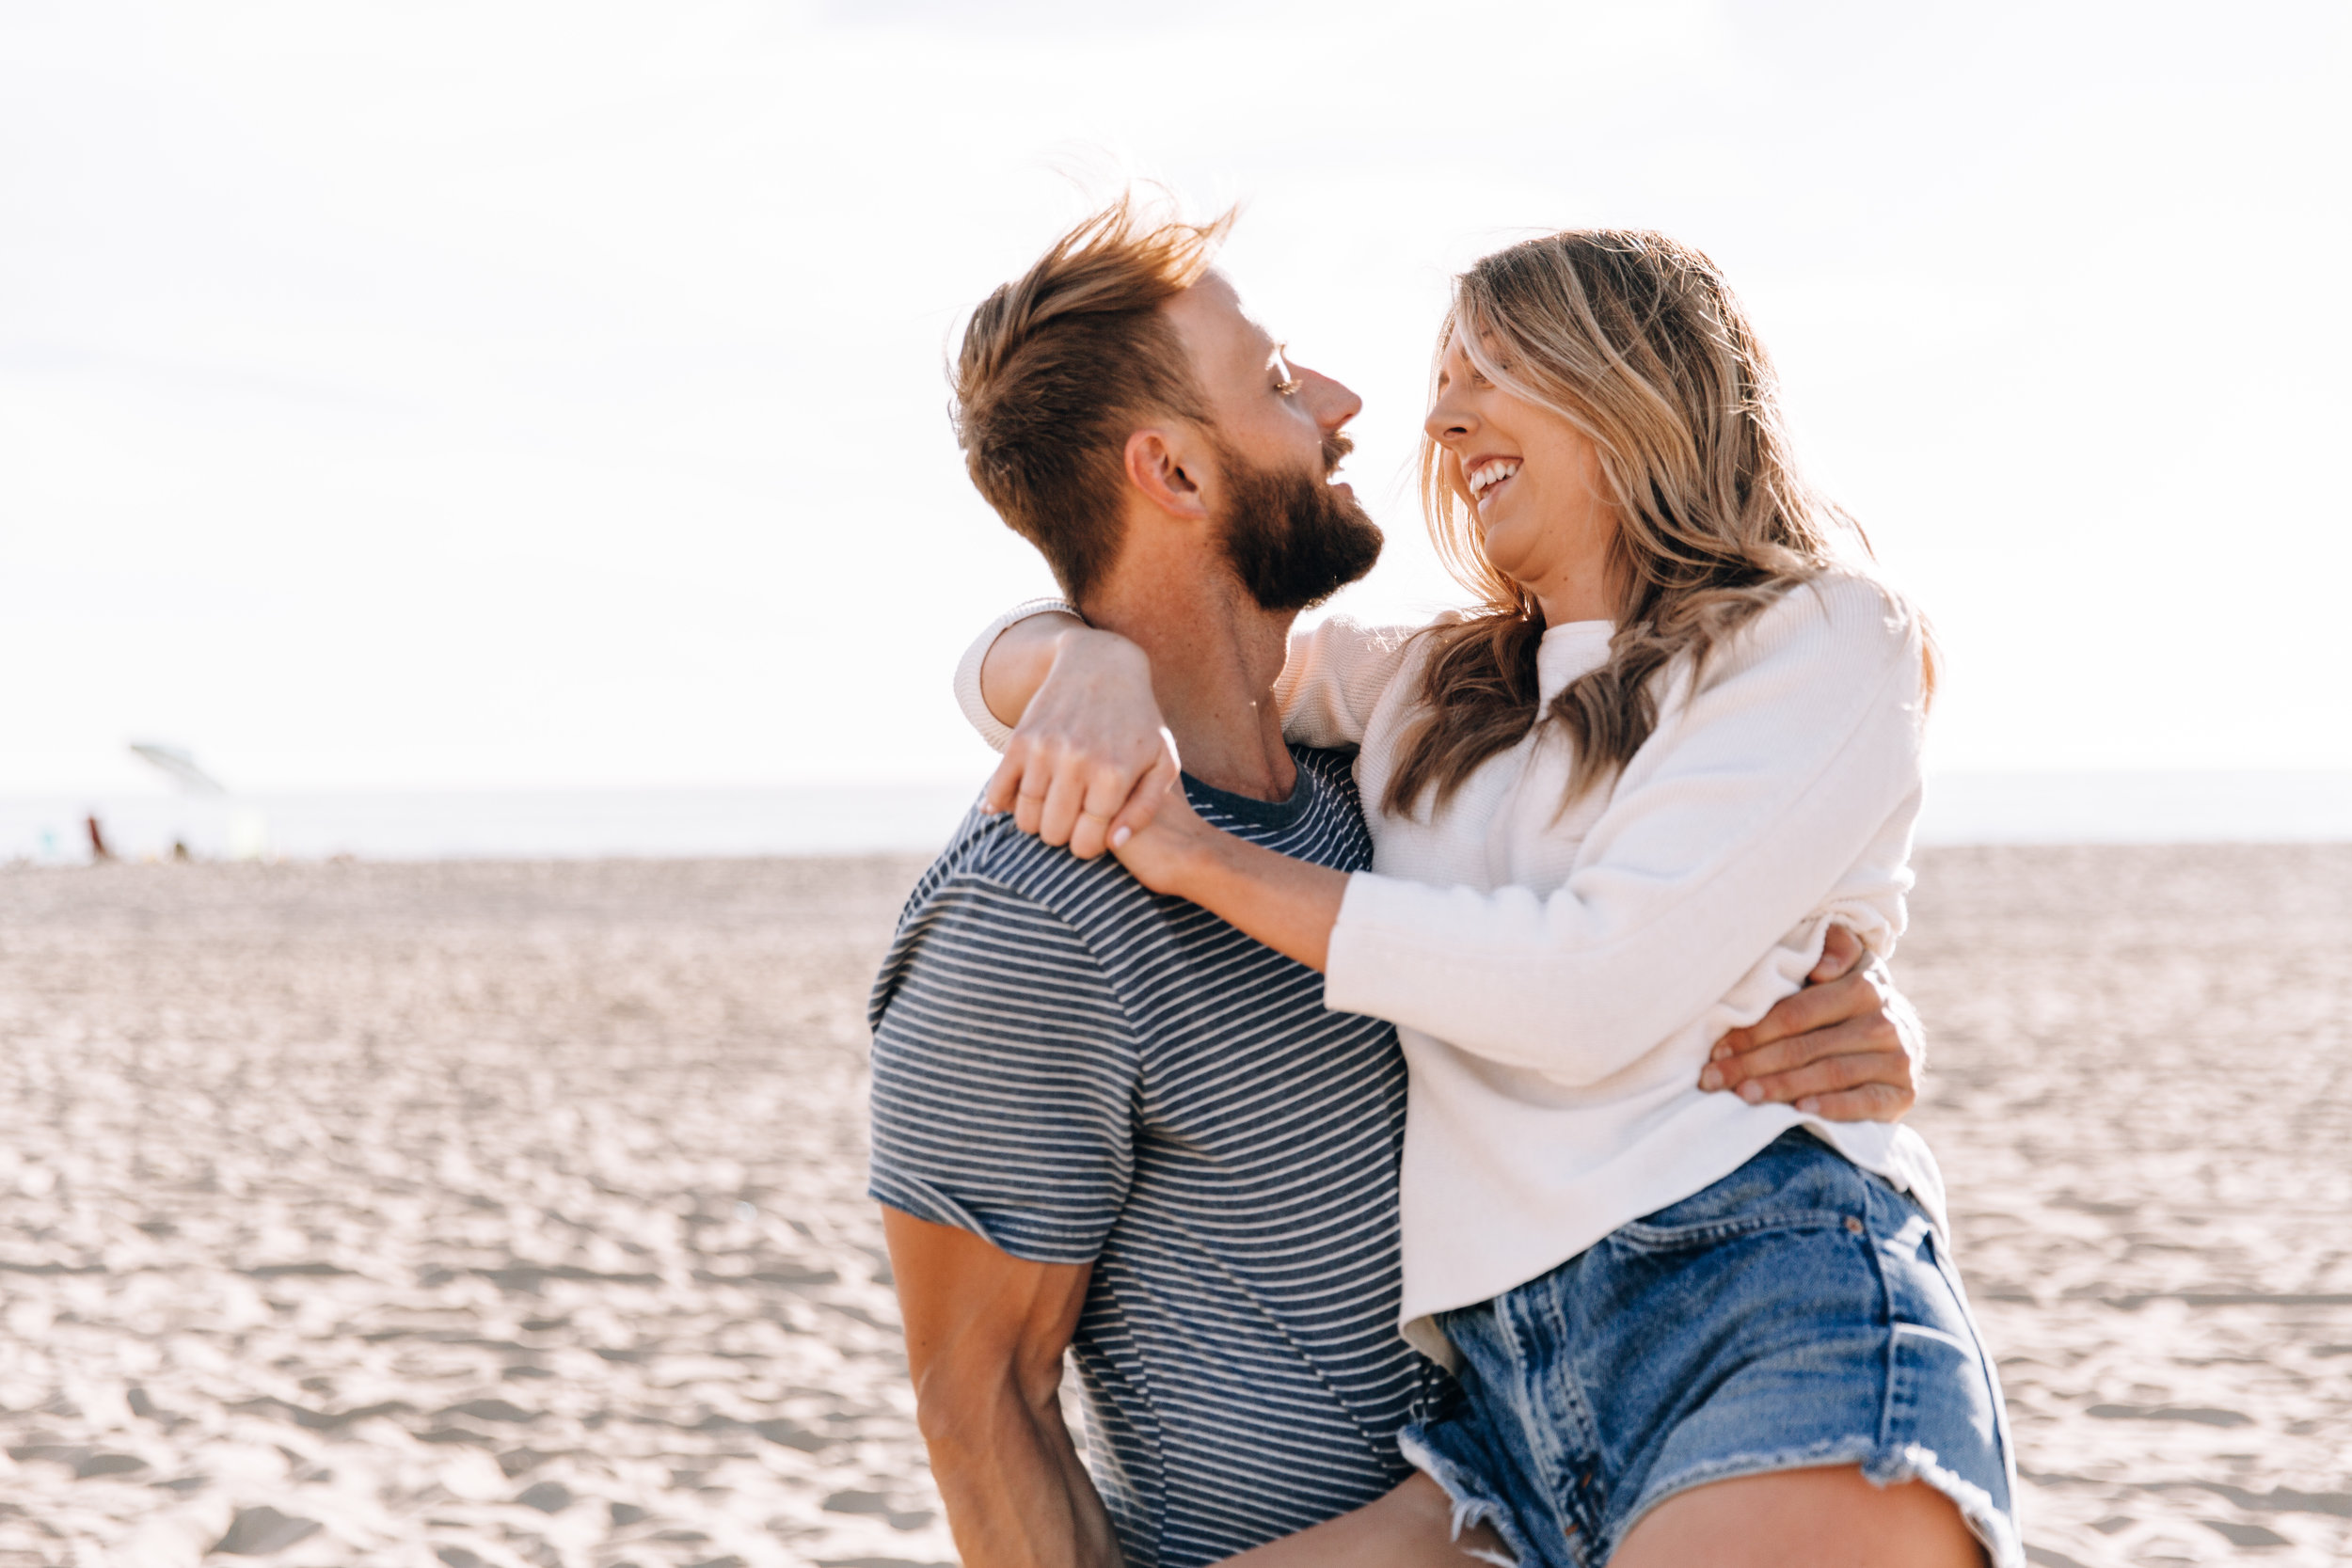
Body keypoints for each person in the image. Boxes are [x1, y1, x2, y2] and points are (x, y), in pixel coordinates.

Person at [871, 196, 1935, 1568]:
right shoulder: (1047, 897)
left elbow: (1595, 951)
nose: (1366, 406)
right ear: (1176, 475)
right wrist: (1071, 658)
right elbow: (976, 1403)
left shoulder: (1367, 791)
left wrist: (1848, 1004)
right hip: (1478, 1486)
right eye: (1273, 381)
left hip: (1656, 1401)